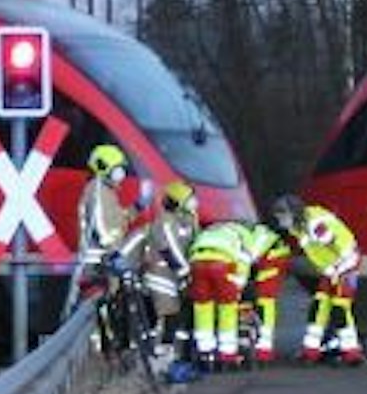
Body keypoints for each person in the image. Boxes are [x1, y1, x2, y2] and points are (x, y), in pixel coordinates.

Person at [272, 194, 364, 365]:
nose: (280, 221)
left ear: (293, 213)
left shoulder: (315, 225)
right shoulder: (300, 227)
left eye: (282, 216)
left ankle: (351, 352)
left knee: (340, 309)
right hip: (331, 269)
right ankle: (310, 349)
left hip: (345, 266)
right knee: (319, 306)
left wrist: (338, 271)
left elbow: (342, 248)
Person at [125, 182, 197, 356]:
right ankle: (158, 351)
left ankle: (172, 351)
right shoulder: (165, 222)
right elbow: (170, 248)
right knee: (168, 312)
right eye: (190, 199)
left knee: (176, 314)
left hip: (176, 276)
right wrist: (185, 270)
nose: (194, 203)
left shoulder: (188, 221)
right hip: (161, 275)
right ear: (178, 202)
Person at [185, 220, 260, 371]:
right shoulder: (245, 235)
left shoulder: (210, 231)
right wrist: (239, 284)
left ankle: (205, 353)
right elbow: (244, 260)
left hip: (197, 262)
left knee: (203, 308)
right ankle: (227, 355)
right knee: (227, 309)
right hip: (222, 264)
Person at [77, 144, 136, 299]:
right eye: (117, 169)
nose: (121, 173)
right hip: (98, 263)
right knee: (96, 309)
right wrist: (114, 252)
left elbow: (118, 221)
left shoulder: (108, 192)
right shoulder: (96, 190)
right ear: (103, 168)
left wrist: (137, 207)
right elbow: (100, 225)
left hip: (107, 260)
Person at [245, 222, 294, 364]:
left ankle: (264, 347)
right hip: (273, 260)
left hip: (269, 262)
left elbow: (252, 255)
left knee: (264, 301)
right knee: (265, 301)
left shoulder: (259, 235)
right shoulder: (263, 234)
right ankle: (264, 347)